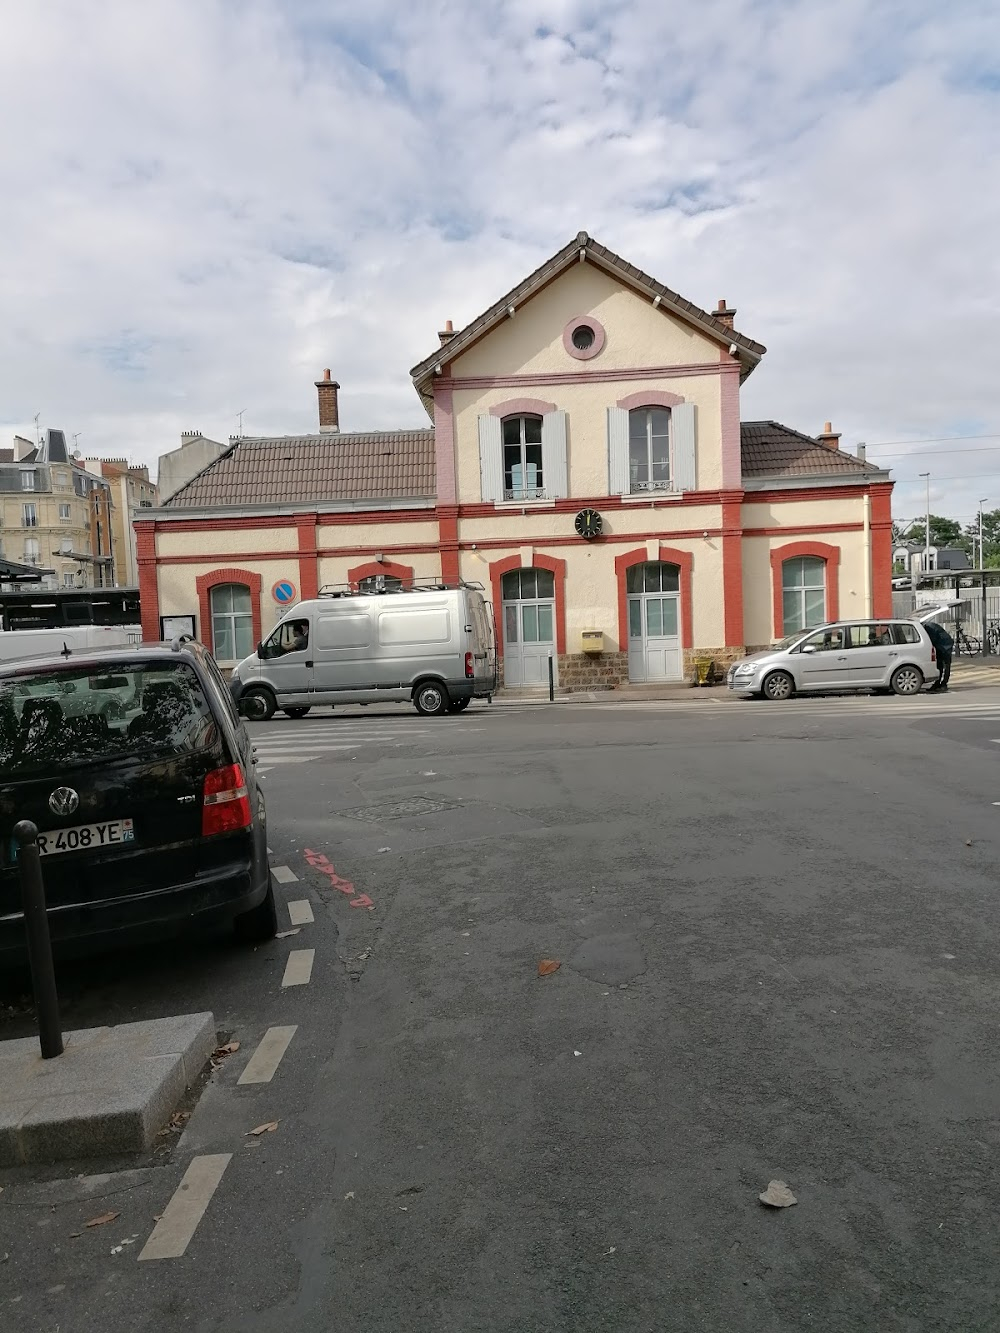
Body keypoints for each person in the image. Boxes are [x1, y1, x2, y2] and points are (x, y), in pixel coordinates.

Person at [924, 619, 953, 692]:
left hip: (946, 645)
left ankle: (944, 684)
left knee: (946, 665)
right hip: (940, 645)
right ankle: (937, 683)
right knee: (939, 665)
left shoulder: (928, 628)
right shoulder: (927, 626)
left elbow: (932, 640)